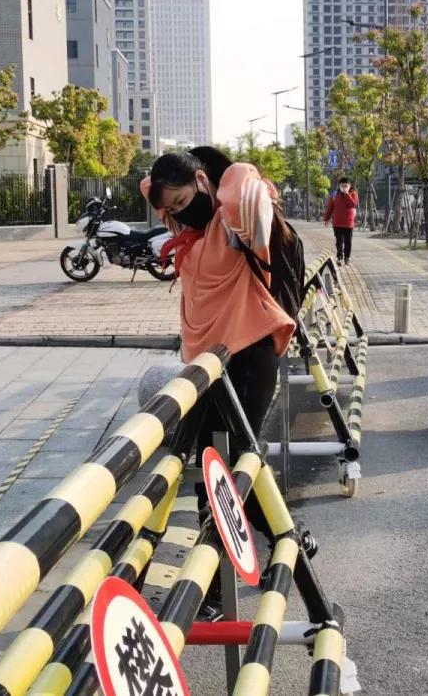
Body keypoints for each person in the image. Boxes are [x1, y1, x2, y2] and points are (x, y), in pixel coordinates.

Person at [143, 145, 296, 616]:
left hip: (246, 359)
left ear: (206, 183)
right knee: (223, 465)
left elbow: (249, 191)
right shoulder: (188, 228)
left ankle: (207, 588)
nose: (177, 214)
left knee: (223, 472)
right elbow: (152, 187)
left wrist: (232, 176)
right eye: (169, 209)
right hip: (204, 366)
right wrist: (174, 192)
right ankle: (286, 538)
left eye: (184, 201)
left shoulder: (234, 221)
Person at [323, 176, 358, 266]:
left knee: (348, 242)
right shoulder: (335, 195)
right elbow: (330, 207)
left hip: (349, 223)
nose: (344, 188)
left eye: (346, 186)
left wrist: (347, 194)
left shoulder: (353, 193)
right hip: (337, 223)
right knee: (339, 241)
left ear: (350, 186)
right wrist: (326, 219)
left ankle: (347, 257)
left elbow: (353, 204)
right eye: (342, 186)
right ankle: (339, 257)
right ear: (339, 186)